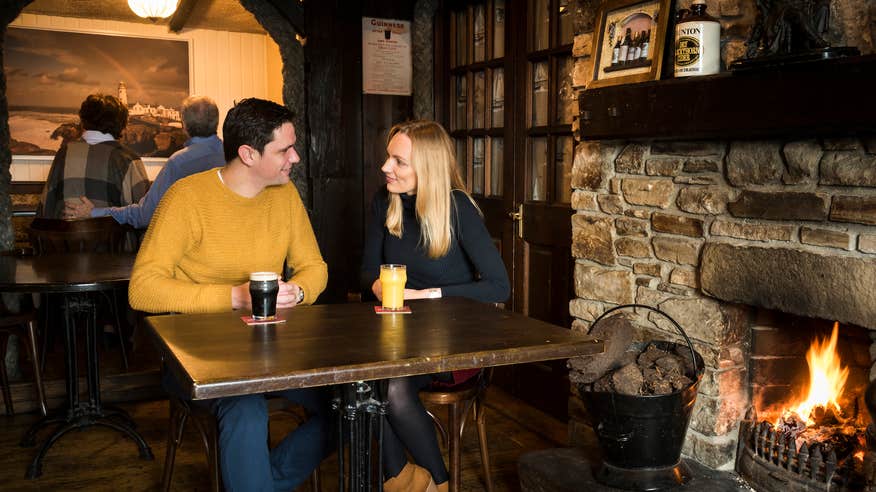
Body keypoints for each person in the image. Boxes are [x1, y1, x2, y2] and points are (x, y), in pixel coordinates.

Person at [128, 98, 329, 491]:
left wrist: (299, 291)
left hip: (273, 350)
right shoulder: (187, 197)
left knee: (354, 403)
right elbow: (142, 289)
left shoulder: (284, 195)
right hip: (196, 356)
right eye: (285, 149)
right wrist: (235, 298)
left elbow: (315, 267)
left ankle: (266, 482)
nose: (297, 157)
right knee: (246, 411)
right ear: (248, 154)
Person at [360, 120, 510, 492]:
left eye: (398, 161)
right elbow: (365, 271)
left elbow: (499, 286)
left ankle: (439, 484)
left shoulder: (458, 208)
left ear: (426, 167)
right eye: (387, 157)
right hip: (397, 335)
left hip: (453, 341)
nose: (385, 167)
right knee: (354, 381)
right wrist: (378, 285)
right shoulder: (385, 201)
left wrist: (427, 296)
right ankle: (404, 479)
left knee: (391, 386)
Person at [63, 96, 225, 228]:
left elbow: (145, 215)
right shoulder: (233, 157)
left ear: (184, 125)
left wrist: (94, 212)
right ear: (217, 122)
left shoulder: (179, 162)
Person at [37, 94, 149, 218]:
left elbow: (46, 205)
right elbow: (145, 213)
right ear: (121, 125)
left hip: (65, 236)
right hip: (113, 236)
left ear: (84, 121)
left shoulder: (64, 153)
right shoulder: (128, 158)